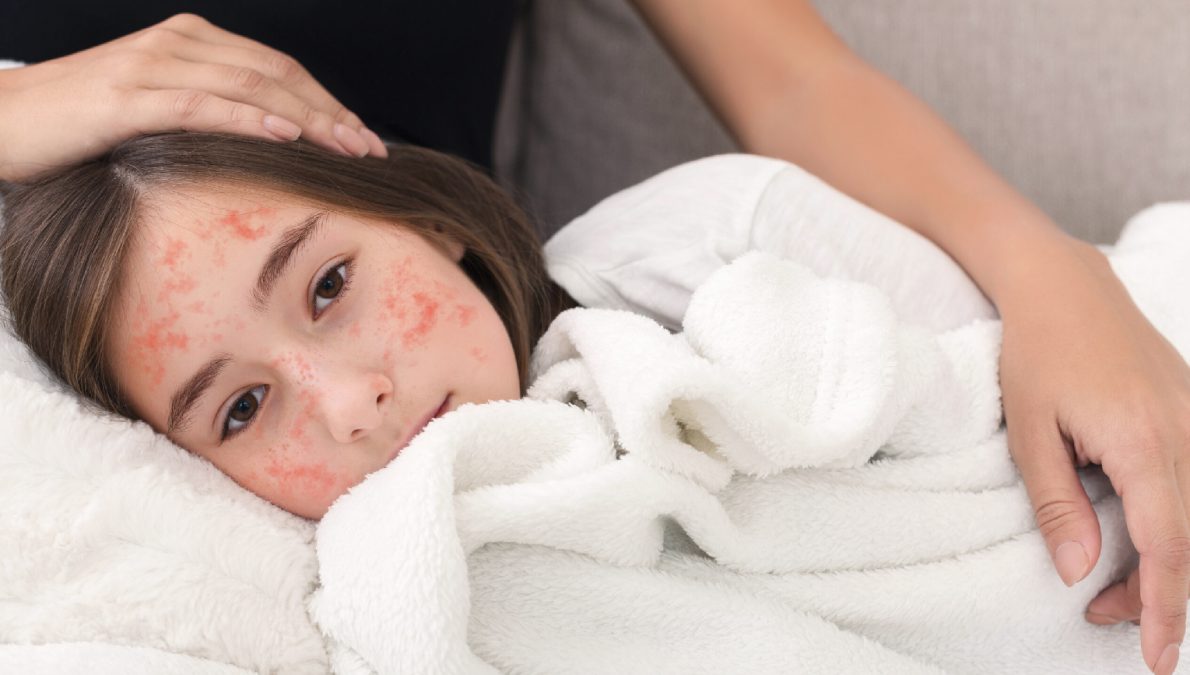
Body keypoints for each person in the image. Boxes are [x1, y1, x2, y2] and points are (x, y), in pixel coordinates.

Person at [0, 4, 1186, 673]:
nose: (348, 399)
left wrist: (1058, 283)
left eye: (330, 290)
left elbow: (791, 83)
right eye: (245, 404)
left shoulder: (683, 261)